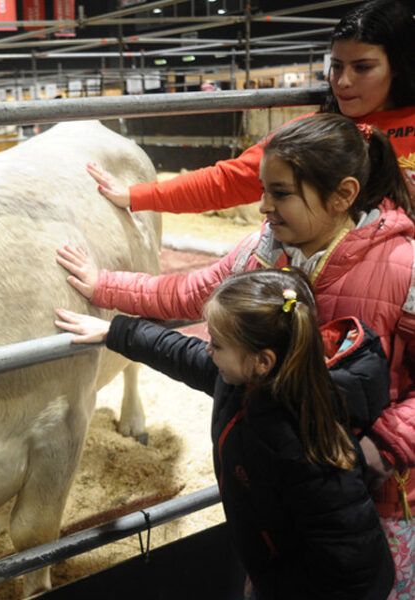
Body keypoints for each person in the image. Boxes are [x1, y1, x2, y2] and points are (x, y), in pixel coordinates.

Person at [57, 112, 415, 596]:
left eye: (281, 193)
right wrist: (103, 285)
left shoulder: (403, 268)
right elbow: (190, 292)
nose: (263, 206)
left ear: (343, 195)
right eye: (264, 190)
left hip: (377, 497)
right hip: (272, 496)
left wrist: (383, 447)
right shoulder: (264, 250)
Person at [53, 268, 394, 600]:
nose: (207, 350)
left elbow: (347, 556)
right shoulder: (246, 381)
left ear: (262, 361)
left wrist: (273, 586)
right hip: (275, 568)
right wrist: (117, 332)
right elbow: (182, 354)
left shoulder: (301, 443)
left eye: (216, 345)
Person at [88, 0, 415, 212]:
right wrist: (136, 196)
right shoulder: (315, 134)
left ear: (398, 67)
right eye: (337, 66)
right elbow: (227, 181)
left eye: (362, 68)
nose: (342, 81)